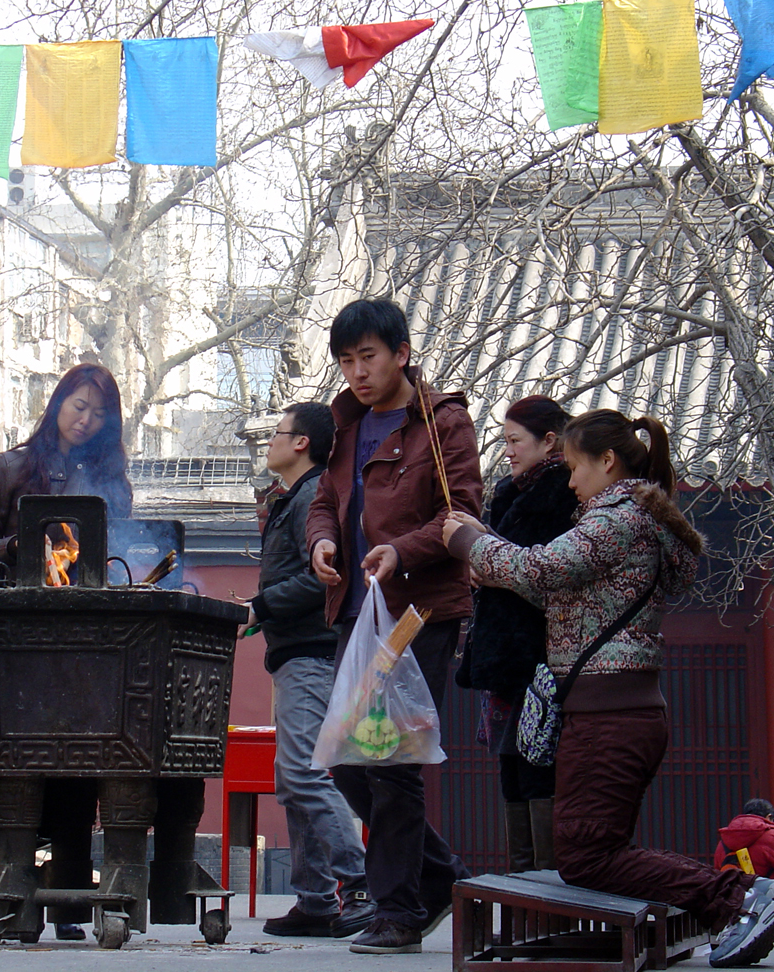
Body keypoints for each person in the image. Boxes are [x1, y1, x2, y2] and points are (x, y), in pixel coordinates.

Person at [444, 409, 774, 969]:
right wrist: (494, 553)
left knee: (586, 857)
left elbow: (537, 570)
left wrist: (467, 543)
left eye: (576, 468)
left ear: (607, 462)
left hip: (609, 718)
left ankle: (738, 897)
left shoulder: (616, 519)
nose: (570, 481)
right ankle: (729, 900)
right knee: (597, 851)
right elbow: (558, 590)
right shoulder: (637, 519)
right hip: (621, 712)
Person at [306, 298, 485, 955]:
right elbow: (324, 501)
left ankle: (398, 913)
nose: (356, 371)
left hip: (418, 613)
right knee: (348, 758)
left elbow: (462, 513)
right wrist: (323, 543)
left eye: (368, 357)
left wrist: (400, 551)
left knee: (391, 759)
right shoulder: (343, 425)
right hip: (355, 612)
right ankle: (438, 879)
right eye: (346, 360)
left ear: (402, 354)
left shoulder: (442, 424)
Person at [0, 362, 131, 941]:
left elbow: (121, 548)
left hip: (87, 641)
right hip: (19, 640)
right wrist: (25, 544)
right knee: (19, 760)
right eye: (77, 405)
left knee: (81, 763)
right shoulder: (13, 466)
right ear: (58, 401)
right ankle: (12, 892)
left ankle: (68, 903)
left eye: (97, 412)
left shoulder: (112, 477)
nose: (85, 419)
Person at [241, 402, 375, 939]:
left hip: (312, 653)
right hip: (297, 653)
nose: (269, 442)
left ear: (302, 444)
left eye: (277, 433)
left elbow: (324, 577)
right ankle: (315, 900)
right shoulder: (294, 499)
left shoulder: (313, 498)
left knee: (304, 773)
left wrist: (261, 607)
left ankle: (359, 884)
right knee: (293, 779)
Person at [454, 396, 578, 873]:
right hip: (503, 654)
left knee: (536, 767)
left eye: (514, 441)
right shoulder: (508, 492)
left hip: (538, 653)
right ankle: (525, 881)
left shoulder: (561, 494)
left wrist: (484, 550)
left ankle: (546, 885)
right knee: (510, 769)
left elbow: (538, 569)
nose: (506, 451)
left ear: (549, 441)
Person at [715, 799, 774, 887]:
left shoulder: (726, 837)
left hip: (732, 898)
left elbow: (717, 871)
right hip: (763, 898)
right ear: (769, 817)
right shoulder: (769, 836)